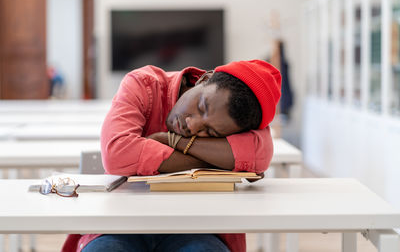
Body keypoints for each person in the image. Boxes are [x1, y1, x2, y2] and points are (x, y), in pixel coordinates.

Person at [61, 59, 281, 252]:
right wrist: (216, 161)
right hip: (119, 224)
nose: (191, 125)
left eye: (210, 133)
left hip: (198, 227)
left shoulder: (233, 122)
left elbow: (260, 156)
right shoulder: (143, 84)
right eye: (202, 106)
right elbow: (117, 154)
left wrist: (174, 141)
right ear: (204, 78)